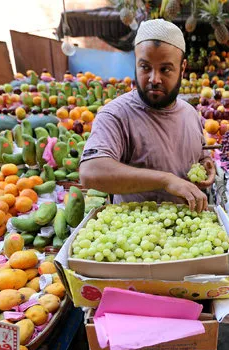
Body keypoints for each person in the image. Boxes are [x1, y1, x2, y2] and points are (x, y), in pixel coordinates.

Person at [79, 19, 216, 212]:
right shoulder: (116, 115)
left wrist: (205, 163)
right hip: (136, 236)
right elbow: (90, 172)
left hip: (188, 235)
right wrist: (165, 180)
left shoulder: (190, 113)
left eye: (165, 69)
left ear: (183, 68)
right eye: (145, 67)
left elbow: (200, 153)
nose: (154, 79)